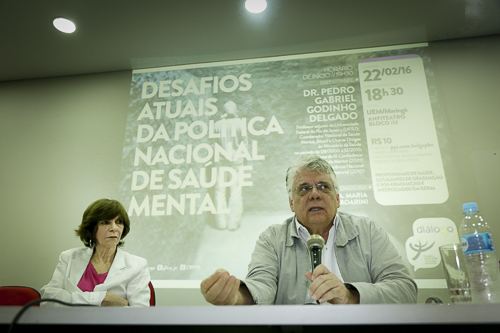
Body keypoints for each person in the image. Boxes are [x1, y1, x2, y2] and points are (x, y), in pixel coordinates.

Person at [200, 154, 417, 305]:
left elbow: (404, 289)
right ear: (292, 203)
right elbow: (261, 285)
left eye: (324, 186)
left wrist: (349, 296)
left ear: (338, 198)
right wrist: (235, 296)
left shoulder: (367, 231)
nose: (314, 194)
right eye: (304, 188)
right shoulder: (272, 238)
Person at [40, 198, 151, 307]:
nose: (114, 228)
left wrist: (74, 299)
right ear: (91, 229)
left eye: (118, 222)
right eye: (105, 222)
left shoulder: (137, 265)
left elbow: (139, 314)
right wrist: (101, 299)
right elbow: (48, 299)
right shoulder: (68, 257)